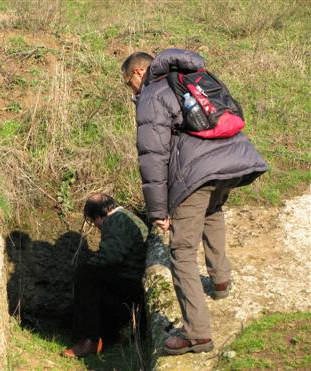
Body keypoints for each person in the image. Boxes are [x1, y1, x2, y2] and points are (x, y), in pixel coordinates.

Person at [121, 49, 268, 355]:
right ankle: (220, 281)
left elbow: (153, 157)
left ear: (138, 73)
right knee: (212, 211)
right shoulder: (192, 78)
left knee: (181, 252)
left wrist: (158, 210)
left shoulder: (152, 95)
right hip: (234, 159)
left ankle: (197, 333)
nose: (131, 91)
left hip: (198, 171)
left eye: (129, 84)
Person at [63, 193, 148, 358]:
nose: (97, 226)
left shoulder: (115, 220)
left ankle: (90, 340)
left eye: (94, 222)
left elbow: (111, 256)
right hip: (135, 288)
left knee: (86, 274)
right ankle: (108, 337)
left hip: (130, 287)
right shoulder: (128, 217)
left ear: (97, 216)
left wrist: (89, 263)